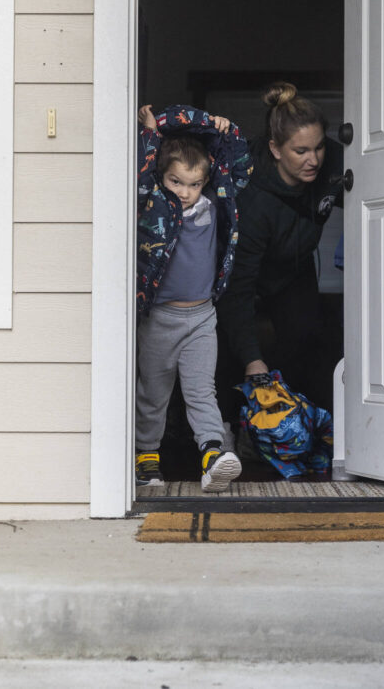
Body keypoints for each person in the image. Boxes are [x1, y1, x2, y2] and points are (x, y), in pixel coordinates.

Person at [134, 103, 253, 491]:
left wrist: (226, 132)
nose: (185, 192)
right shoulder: (153, 201)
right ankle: (146, 460)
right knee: (153, 394)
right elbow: (137, 176)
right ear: (162, 177)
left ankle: (213, 455)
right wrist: (151, 134)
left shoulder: (216, 201)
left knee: (202, 390)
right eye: (176, 182)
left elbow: (239, 171)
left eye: (193, 184)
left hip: (202, 317)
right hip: (160, 319)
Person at [216, 82, 344, 422]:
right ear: (275, 149)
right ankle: (231, 429)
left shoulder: (332, 163)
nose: (313, 159)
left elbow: (376, 191)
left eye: (318, 148)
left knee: (309, 337)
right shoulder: (253, 200)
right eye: (300, 151)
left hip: (294, 267)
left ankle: (305, 427)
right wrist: (252, 360)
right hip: (244, 272)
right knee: (232, 348)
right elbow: (238, 289)